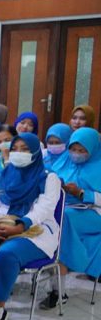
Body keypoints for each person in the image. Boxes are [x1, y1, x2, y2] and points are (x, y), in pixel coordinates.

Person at [0, 132, 60, 320]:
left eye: (25, 149)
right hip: (0, 225)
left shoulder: (48, 177)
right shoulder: (3, 175)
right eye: (15, 149)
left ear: (35, 152)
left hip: (35, 230)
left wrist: (20, 226)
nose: (18, 153)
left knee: (6, 254)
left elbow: (45, 208)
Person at [50, 127, 101, 298]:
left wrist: (81, 193)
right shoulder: (63, 161)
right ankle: (57, 286)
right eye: (73, 149)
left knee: (62, 221)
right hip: (65, 207)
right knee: (55, 219)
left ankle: (58, 288)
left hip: (94, 212)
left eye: (82, 150)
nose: (76, 154)